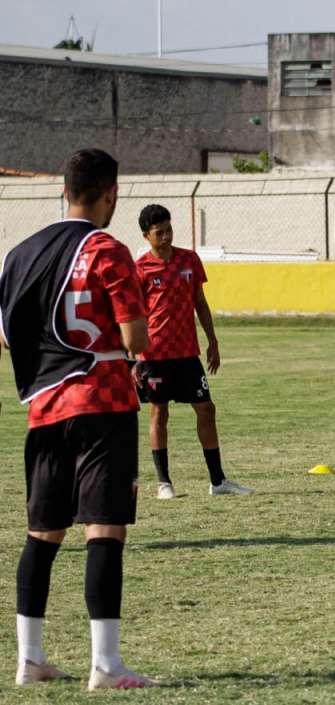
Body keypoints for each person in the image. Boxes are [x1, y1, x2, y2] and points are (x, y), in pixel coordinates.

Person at [0, 148, 157, 688]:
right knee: (104, 529)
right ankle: (106, 665)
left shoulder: (19, 254)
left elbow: (5, 335)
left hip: (43, 409)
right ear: (110, 193)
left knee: (42, 533)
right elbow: (136, 336)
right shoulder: (107, 249)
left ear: (64, 190)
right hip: (103, 403)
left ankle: (29, 659)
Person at [133, 204, 252, 499]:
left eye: (169, 230)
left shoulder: (189, 260)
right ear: (146, 236)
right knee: (158, 413)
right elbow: (132, 314)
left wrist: (212, 340)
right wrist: (133, 358)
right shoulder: (141, 269)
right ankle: (164, 483)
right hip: (154, 355)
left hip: (187, 353)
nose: (166, 237)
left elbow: (200, 302)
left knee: (206, 408)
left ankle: (218, 481)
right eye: (159, 233)